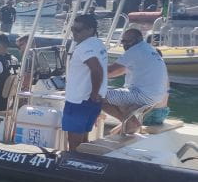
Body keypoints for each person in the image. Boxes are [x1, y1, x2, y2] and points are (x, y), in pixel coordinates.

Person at [103, 28, 169, 133]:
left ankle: (130, 122)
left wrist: (89, 70)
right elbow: (121, 70)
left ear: (137, 40)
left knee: (98, 96)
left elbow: (110, 71)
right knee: (115, 97)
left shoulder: (135, 50)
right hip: (154, 97)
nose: (124, 45)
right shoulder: (148, 49)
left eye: (127, 41)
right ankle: (129, 123)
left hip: (141, 95)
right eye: (122, 41)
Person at [62, 14, 107, 151]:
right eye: (73, 29)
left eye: (78, 30)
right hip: (92, 101)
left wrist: (93, 93)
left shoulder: (83, 47)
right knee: (84, 139)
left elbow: (97, 70)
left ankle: (72, 164)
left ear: (90, 30)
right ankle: (83, 163)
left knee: (74, 142)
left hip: (79, 101)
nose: (74, 33)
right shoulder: (98, 43)